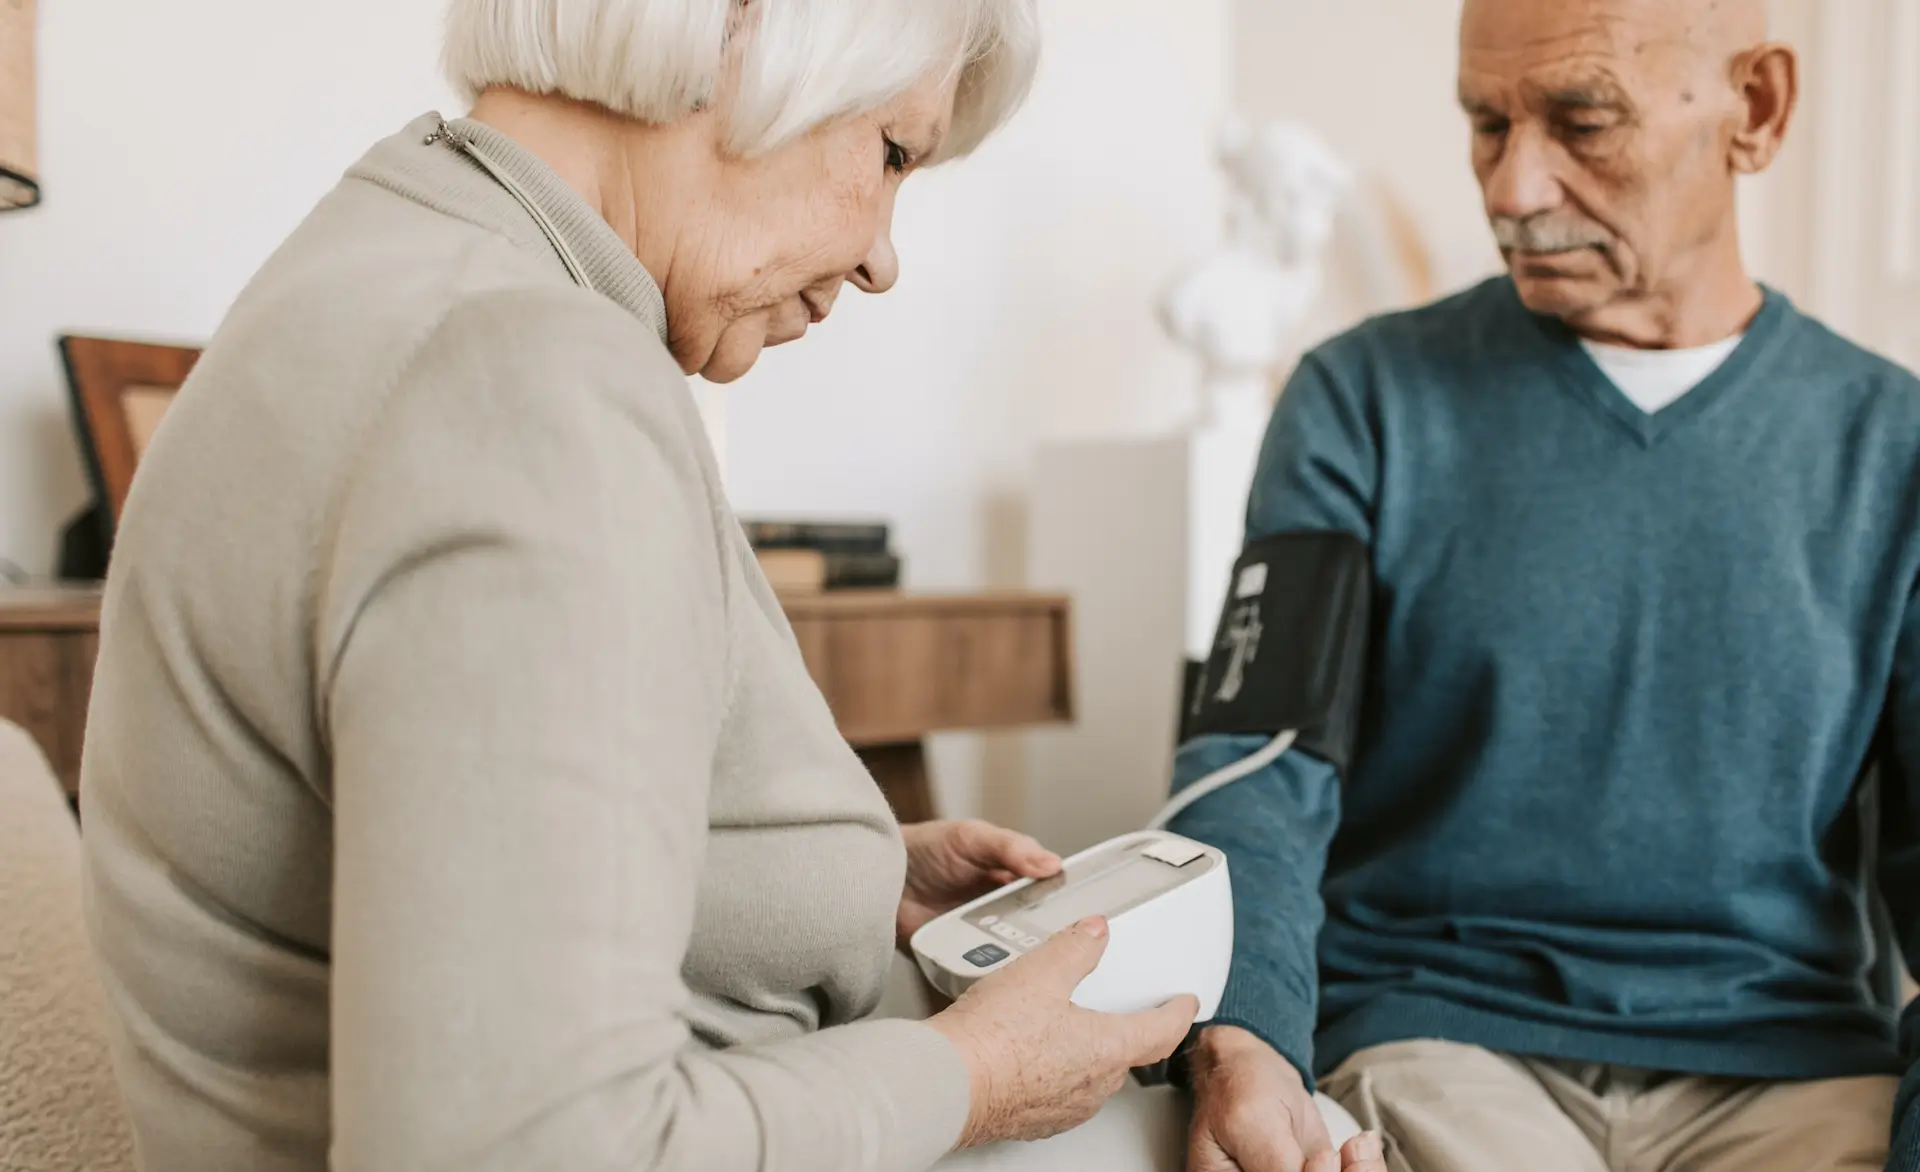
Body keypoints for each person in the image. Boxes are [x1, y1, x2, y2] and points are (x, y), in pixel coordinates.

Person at [78, 4, 1354, 1172]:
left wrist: (822, 879)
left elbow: (458, 821)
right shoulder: (531, 385)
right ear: (745, 32)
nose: (881, 259)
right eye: (896, 154)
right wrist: (969, 1075)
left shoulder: (392, 254)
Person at [1161, 1, 1920, 1170]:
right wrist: (1245, 1033)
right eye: (1485, 124)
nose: (1513, 188)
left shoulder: (1894, 447)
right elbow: (1258, 771)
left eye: (1583, 120)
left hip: (1794, 1065)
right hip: (1442, 1046)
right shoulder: (1360, 402)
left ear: (1755, 110)